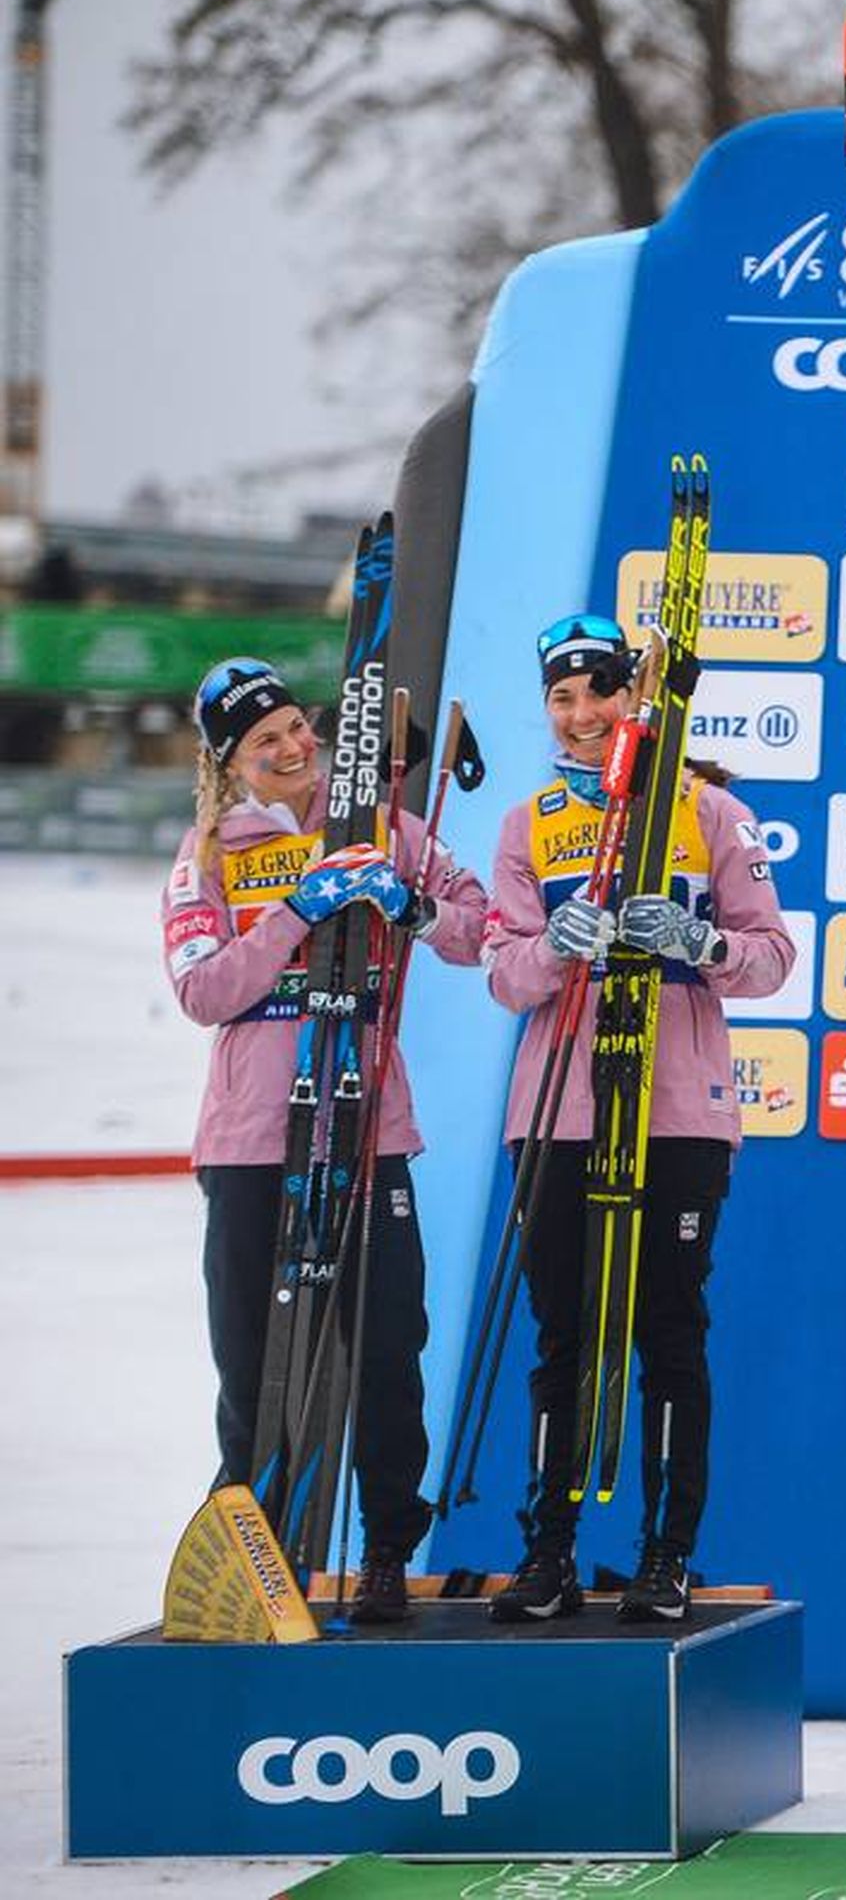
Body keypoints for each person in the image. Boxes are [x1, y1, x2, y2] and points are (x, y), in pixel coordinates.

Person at [482, 614, 793, 1624]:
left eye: (599, 692)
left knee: (668, 1331)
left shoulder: (708, 810)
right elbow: (501, 970)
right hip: (560, 1111)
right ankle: (549, 1553)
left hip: (678, 1112)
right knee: (564, 1336)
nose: (581, 716)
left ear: (636, 694)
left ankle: (666, 1556)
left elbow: (773, 954)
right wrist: (553, 949)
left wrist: (700, 941)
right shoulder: (530, 820)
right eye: (561, 700)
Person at [164, 656, 489, 1621]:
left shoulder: (381, 827)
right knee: (251, 1353)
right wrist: (294, 915)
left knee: (390, 1339)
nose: (294, 747)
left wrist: (410, 905)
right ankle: (251, 1549)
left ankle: (387, 1545)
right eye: (265, 743)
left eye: (297, 727)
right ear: (230, 765)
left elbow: (479, 927)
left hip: (364, 1121)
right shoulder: (211, 850)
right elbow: (202, 990)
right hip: (254, 1134)